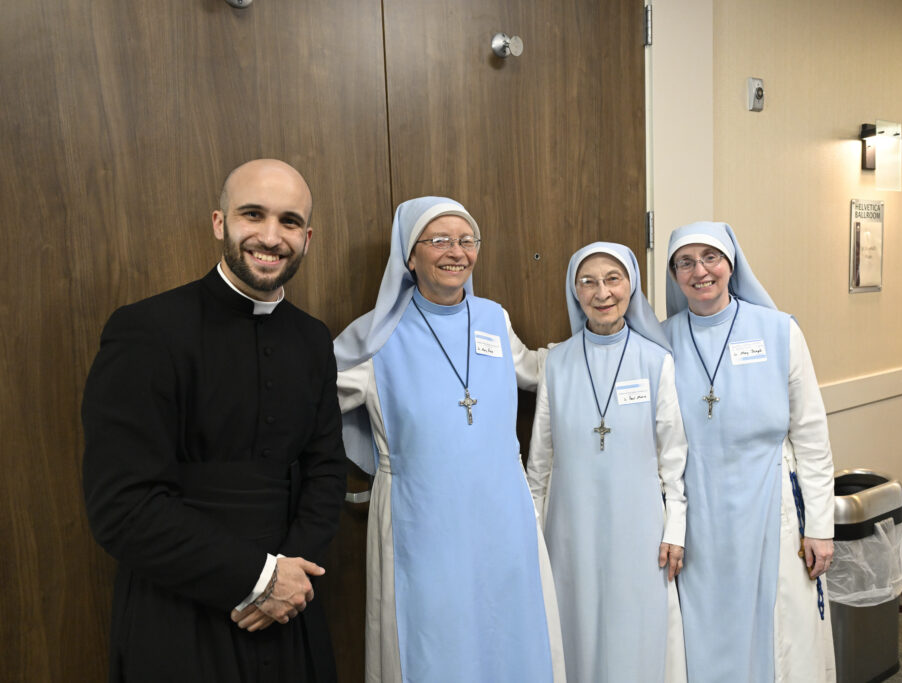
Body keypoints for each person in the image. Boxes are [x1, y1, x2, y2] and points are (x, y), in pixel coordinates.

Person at [82, 159, 346, 682]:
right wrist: (259, 580)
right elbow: (122, 504)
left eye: (289, 222)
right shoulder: (146, 330)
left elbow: (326, 469)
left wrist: (288, 577)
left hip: (292, 605)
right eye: (253, 214)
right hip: (181, 610)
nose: (271, 236)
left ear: (308, 236)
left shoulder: (313, 338)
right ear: (220, 223)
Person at [333, 196, 564, 682]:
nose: (455, 251)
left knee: (509, 632)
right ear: (409, 255)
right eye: (439, 240)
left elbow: (536, 370)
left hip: (501, 513)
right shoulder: (377, 336)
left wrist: (603, 348)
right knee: (433, 641)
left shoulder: (493, 319)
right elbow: (310, 401)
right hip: (421, 517)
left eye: (466, 240)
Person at [663, 222, 836, 682]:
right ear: (674, 273)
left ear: (731, 262)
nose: (700, 271)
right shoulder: (662, 341)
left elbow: (812, 435)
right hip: (700, 519)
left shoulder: (779, 331)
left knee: (780, 639)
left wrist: (819, 525)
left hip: (773, 511)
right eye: (686, 262)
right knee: (710, 634)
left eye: (710, 258)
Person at [526, 242, 688, 682]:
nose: (602, 293)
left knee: (634, 630)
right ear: (574, 291)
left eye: (613, 279)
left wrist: (676, 529)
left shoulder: (657, 361)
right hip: (569, 527)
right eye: (588, 282)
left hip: (639, 528)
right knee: (574, 628)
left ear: (631, 286)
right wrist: (533, 534)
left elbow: (674, 458)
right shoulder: (557, 361)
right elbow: (540, 460)